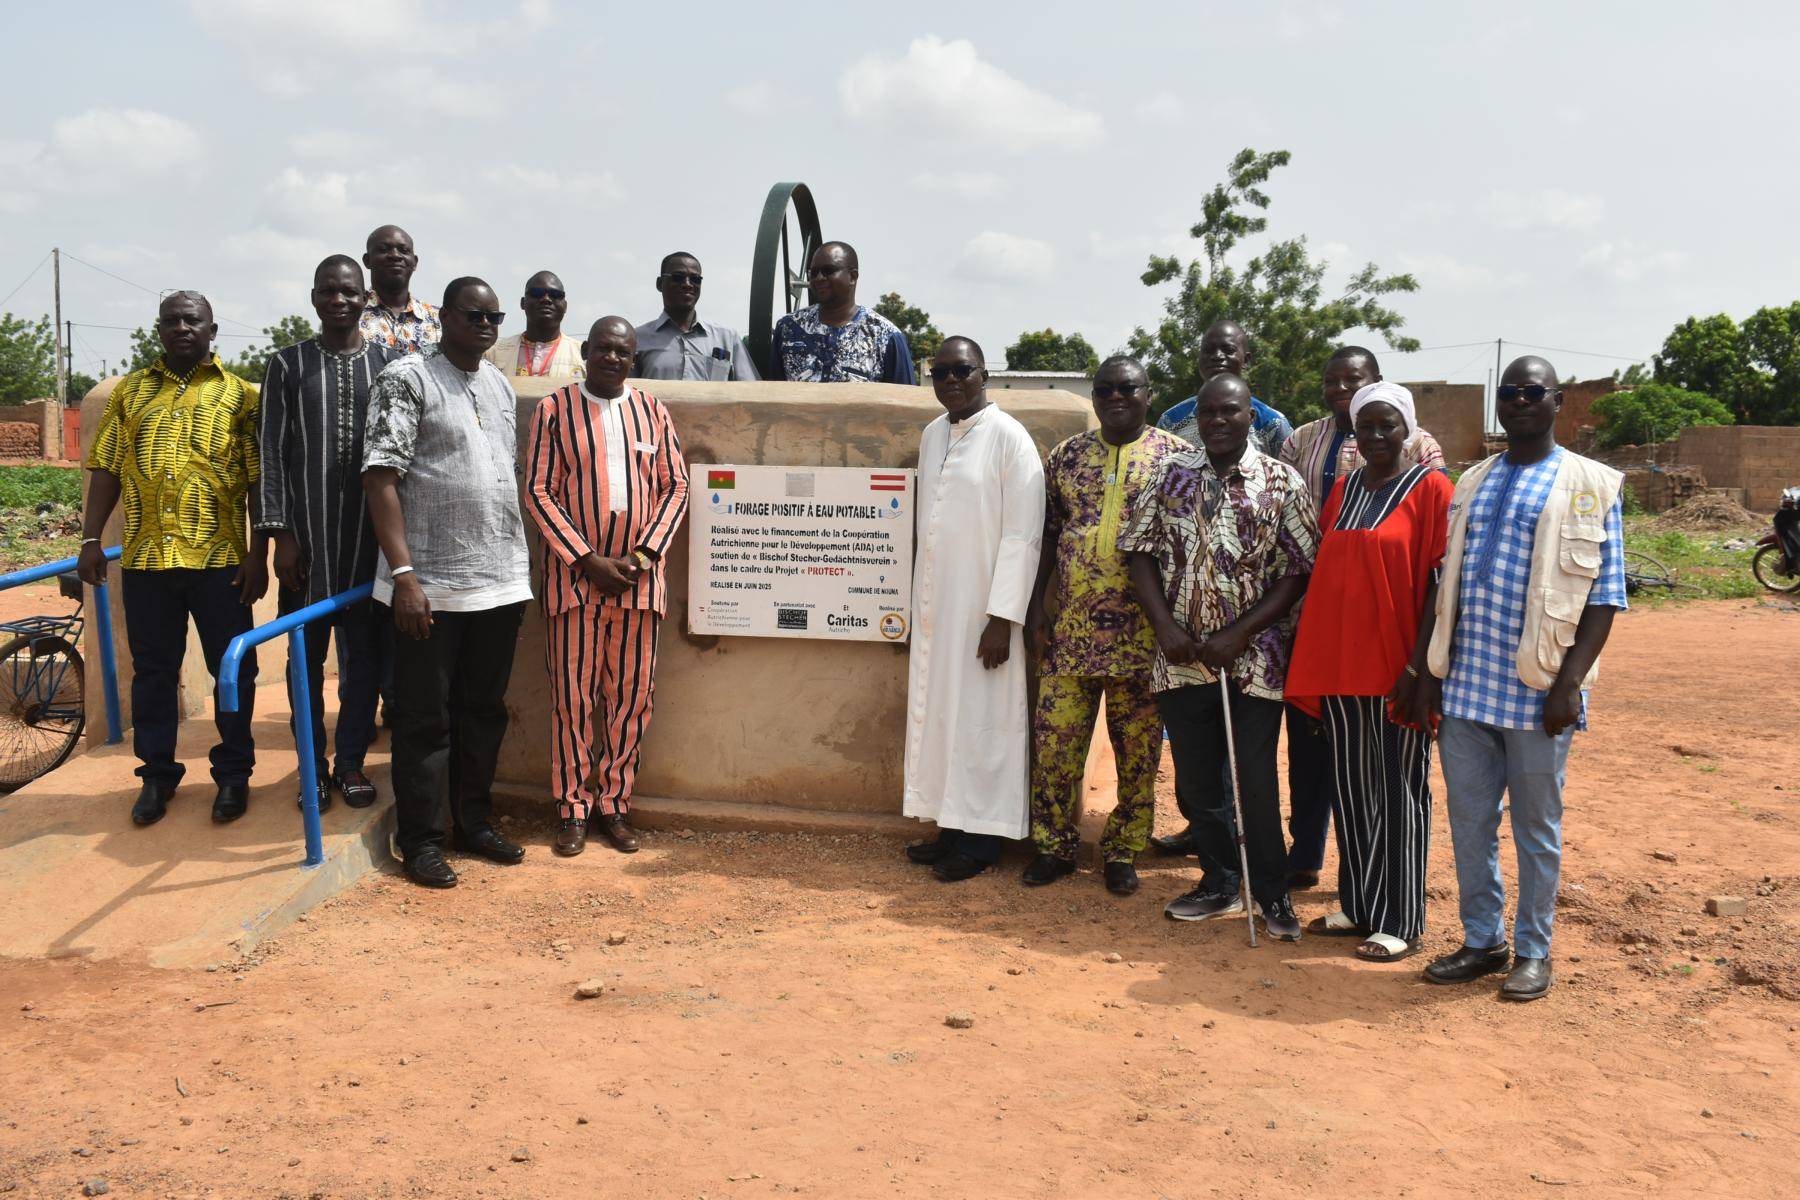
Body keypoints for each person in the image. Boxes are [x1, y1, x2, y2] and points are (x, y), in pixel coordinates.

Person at [1417, 356, 1627, 1001]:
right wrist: (1429, 670)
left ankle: (1534, 951)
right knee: (1471, 823)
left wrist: (1569, 684)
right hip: (1467, 686)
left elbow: (1604, 594)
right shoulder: (1474, 479)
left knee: (1537, 829)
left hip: (1538, 689)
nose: (1519, 402)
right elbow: (1443, 584)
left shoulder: (1591, 485)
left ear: (1557, 400)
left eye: (1532, 392)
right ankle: (1483, 940)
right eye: (1508, 393)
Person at [1122, 372, 1317, 940]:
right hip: (1181, 655)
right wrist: (1165, 629)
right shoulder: (1169, 475)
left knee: (1255, 779)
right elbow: (1139, 554)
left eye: (1229, 411)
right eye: (1207, 412)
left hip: (1255, 658)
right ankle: (1219, 882)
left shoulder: (1281, 482)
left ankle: (1272, 893)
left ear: (1250, 415)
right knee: (1197, 782)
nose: (1217, 421)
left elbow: (1299, 569)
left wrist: (1240, 632)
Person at [362, 277, 533, 889]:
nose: (486, 324)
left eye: (495, 316)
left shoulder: (499, 384)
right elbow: (381, 477)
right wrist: (405, 576)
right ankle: (422, 840)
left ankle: (474, 824)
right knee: (423, 719)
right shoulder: (407, 378)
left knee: (482, 712)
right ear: (446, 318)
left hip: (498, 582)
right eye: (473, 314)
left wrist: (517, 574)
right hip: (428, 586)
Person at [77, 291, 267, 826]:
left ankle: (233, 775)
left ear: (212, 330)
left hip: (220, 561)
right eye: (171, 321)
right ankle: (157, 776)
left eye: (193, 320)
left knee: (233, 672)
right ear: (158, 331)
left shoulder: (240, 398)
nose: (182, 328)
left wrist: (258, 553)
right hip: (145, 560)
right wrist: (91, 540)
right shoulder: (132, 392)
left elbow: (258, 480)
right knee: (153, 673)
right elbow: (107, 467)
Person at [1283, 382, 1454, 962]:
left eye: (1389, 426)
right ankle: (1360, 905)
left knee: (1401, 788)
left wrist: (1420, 668)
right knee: (1352, 788)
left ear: (1409, 429)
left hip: (1399, 668)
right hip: (1340, 665)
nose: (1377, 437)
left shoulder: (1432, 490)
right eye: (1366, 427)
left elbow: (1439, 586)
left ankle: (1402, 917)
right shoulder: (1343, 489)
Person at [525, 317, 690, 857]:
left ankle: (614, 805)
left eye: (623, 351)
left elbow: (675, 488)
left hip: (639, 587)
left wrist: (642, 558)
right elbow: (539, 491)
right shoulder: (554, 410)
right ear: (586, 353)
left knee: (631, 699)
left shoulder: (652, 411)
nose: (612, 358)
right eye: (603, 349)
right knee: (572, 700)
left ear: (633, 357)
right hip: (575, 583)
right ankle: (572, 809)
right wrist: (587, 558)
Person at [1022, 355, 1184, 896]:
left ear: (1147, 393)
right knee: (1055, 746)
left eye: (1127, 388)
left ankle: (1122, 849)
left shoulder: (1177, 460)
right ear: (1093, 397)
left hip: (1143, 639)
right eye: (1105, 389)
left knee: (1138, 754)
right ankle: (1053, 846)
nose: (1116, 397)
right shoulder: (1066, 456)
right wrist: (1033, 610)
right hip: (1071, 634)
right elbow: (1048, 535)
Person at [1146, 318, 1297, 862]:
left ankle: (1257, 863)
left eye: (1230, 352)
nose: (1220, 359)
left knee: (1249, 759)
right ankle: (1204, 834)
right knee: (1195, 755)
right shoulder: (1173, 421)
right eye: (1211, 352)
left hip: (1253, 633)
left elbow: (1285, 521)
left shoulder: (1274, 425)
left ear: (1245, 360)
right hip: (1184, 626)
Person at [256, 255, 398, 814]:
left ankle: (350, 763)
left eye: (349, 292)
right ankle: (311, 769)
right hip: (308, 548)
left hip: (368, 545)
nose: (338, 300)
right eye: (328, 292)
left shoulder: (390, 365)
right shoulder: (287, 364)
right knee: (304, 660)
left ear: (366, 298)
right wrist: (280, 536)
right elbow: (269, 452)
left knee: (362, 660)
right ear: (314, 298)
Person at [903, 337, 1044, 881]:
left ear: (985, 373)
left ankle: (983, 842)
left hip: (986, 616)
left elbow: (1023, 535)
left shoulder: (1010, 438)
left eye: (961, 370)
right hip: (940, 607)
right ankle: (950, 826)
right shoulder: (932, 434)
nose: (950, 380)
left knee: (984, 720)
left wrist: (1002, 617)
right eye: (940, 372)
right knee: (942, 717)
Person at [767, 242, 915, 384]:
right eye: (813, 272)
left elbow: (905, 399)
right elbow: (772, 393)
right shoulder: (789, 328)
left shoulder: (885, 336)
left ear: (853, 277)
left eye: (829, 271)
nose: (819, 278)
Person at [1154, 319, 1294, 458]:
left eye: (1228, 350)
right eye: (1208, 350)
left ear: (1246, 360)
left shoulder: (1272, 423)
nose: (1217, 356)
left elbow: (1287, 474)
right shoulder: (1171, 421)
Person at [634, 252, 758, 381]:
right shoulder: (637, 339)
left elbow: (752, 391)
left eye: (695, 279)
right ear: (660, 284)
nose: (687, 284)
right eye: (678, 277)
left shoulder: (727, 338)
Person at [485, 270, 586, 379]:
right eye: (536, 293)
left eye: (555, 295)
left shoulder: (583, 356)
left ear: (565, 306)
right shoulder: (493, 353)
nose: (546, 299)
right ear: (523, 303)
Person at [359, 225, 440, 354]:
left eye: (404, 250)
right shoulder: (351, 315)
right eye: (383, 249)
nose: (395, 255)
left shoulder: (439, 319)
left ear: (415, 262)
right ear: (367, 260)